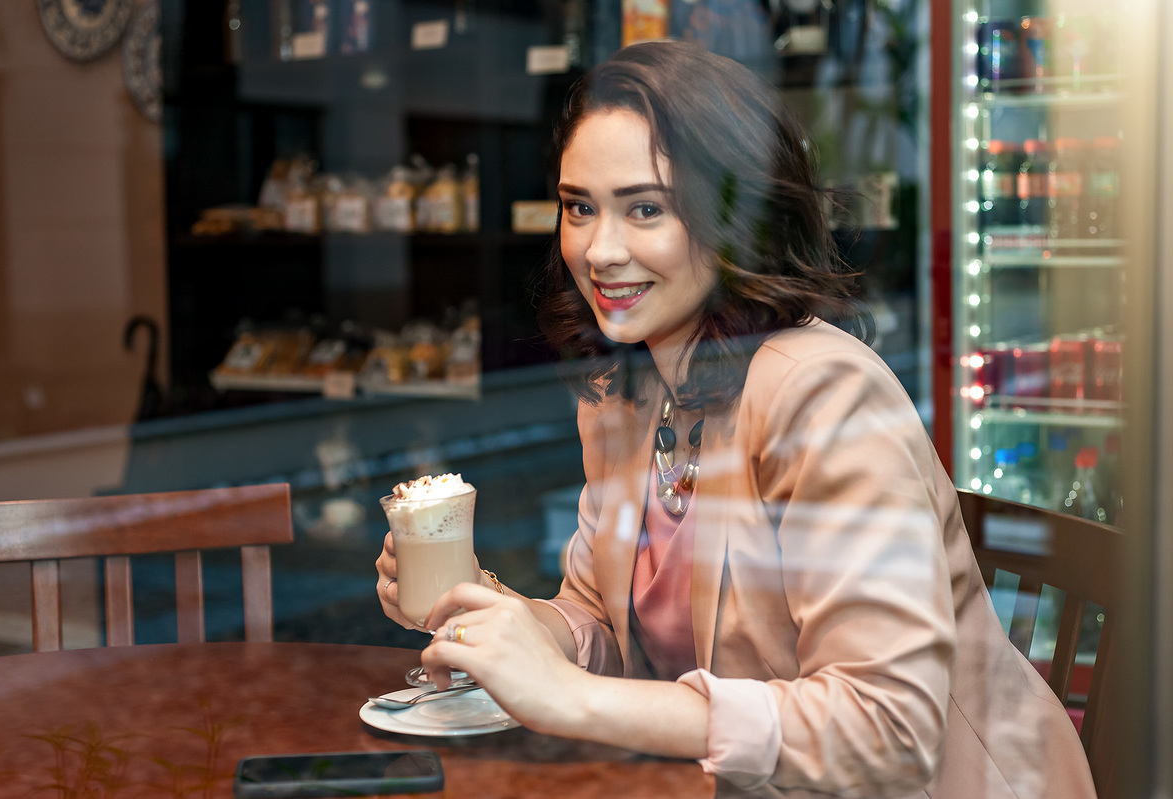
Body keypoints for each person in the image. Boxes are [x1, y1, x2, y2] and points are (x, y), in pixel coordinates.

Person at [376, 40, 1096, 798]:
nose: (599, 249)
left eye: (646, 208)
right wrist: (498, 623)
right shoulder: (625, 389)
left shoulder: (823, 392)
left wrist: (570, 695)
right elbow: (600, 619)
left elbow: (889, 730)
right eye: (579, 207)